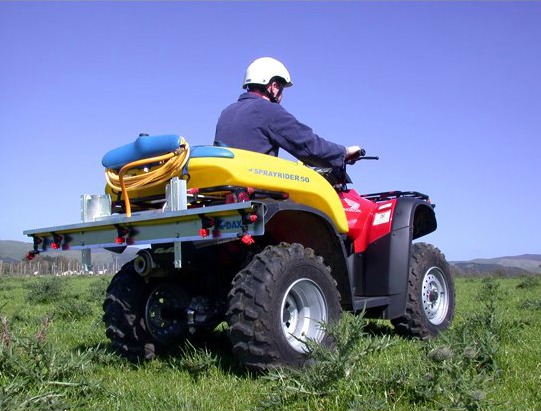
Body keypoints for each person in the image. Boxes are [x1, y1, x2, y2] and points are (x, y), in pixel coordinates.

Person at [214, 57, 362, 168]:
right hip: (257, 193)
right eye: (282, 88)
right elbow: (309, 147)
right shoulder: (267, 110)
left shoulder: (226, 113)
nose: (282, 95)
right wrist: (344, 152)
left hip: (224, 191)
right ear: (274, 86)